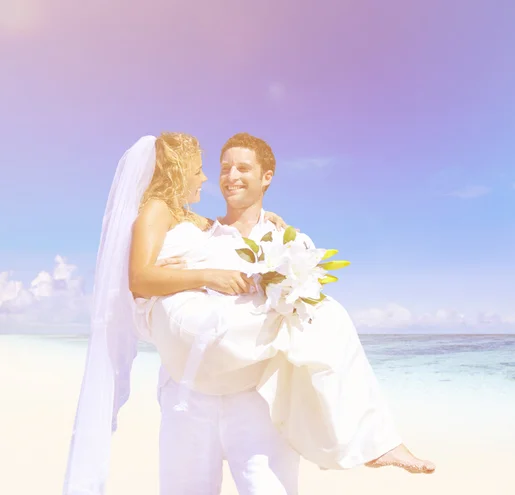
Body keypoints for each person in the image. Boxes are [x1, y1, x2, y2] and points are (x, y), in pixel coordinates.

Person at [63, 132, 434, 495]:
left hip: (257, 396)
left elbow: (304, 317)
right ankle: (371, 440)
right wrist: (189, 276)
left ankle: (371, 438)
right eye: (222, 168)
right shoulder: (200, 229)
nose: (224, 177)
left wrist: (274, 232)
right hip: (188, 392)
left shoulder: (285, 239)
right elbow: (143, 276)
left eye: (242, 168)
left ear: (266, 177)